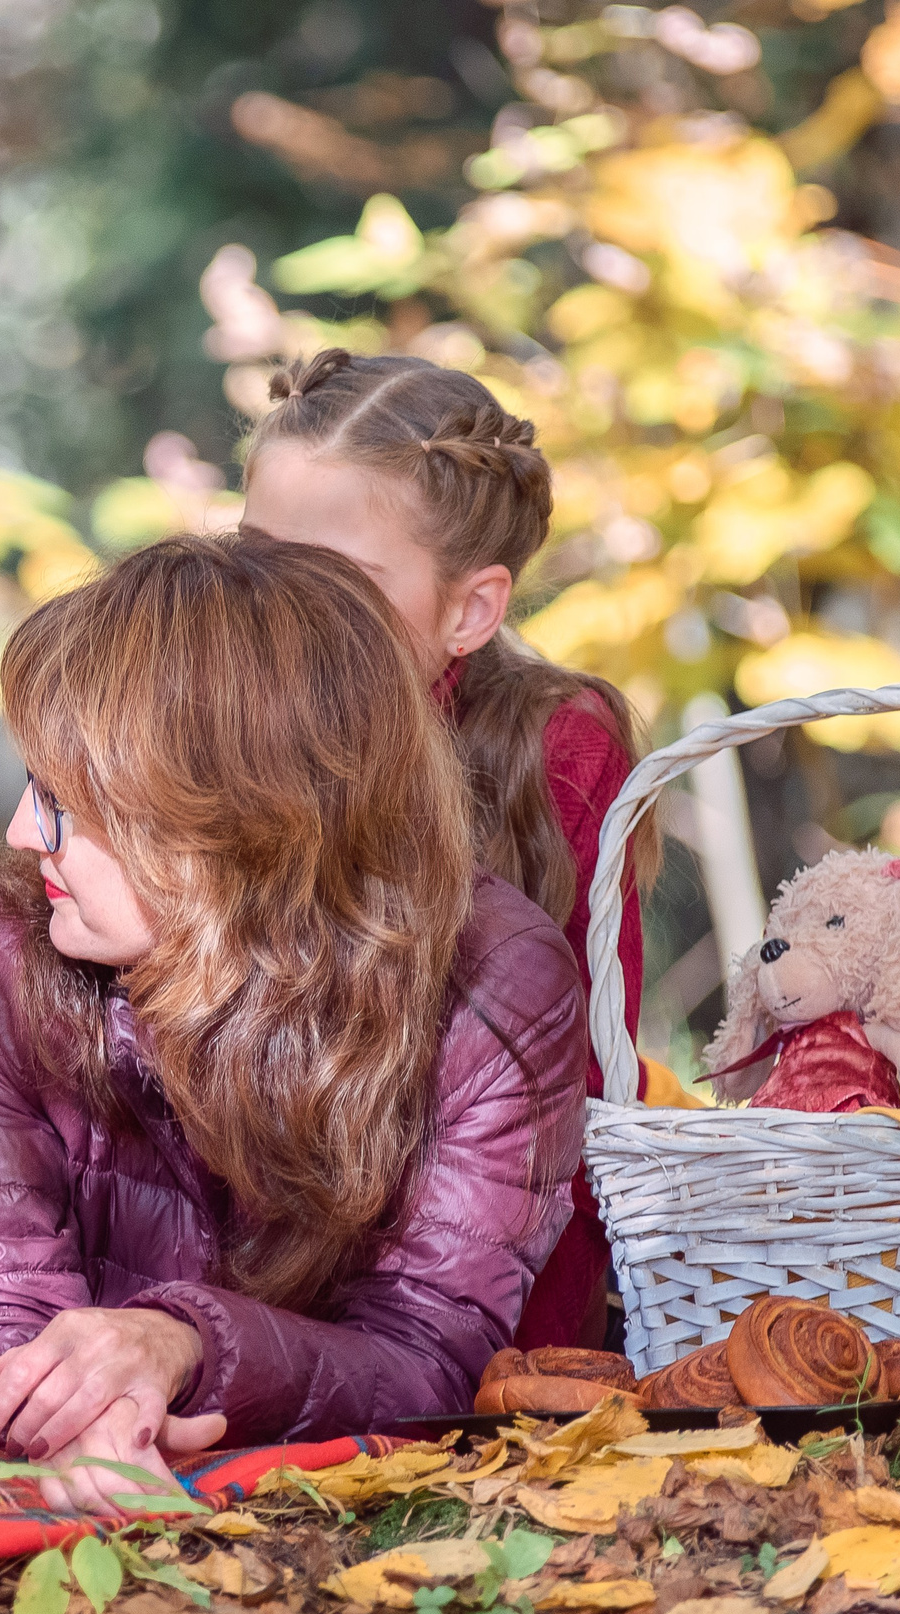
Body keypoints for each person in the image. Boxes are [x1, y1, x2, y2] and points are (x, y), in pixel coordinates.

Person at [0, 532, 588, 1514]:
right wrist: (83, 1410)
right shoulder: (3, 947)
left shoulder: (496, 983)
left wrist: (181, 1342)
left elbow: (429, 1355)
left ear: (229, 824)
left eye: (65, 800)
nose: (20, 833)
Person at [238, 348, 657, 1351]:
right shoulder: (201, 713)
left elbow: (588, 1100)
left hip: (483, 1302)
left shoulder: (555, 748)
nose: (277, 608)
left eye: (338, 579)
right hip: (235, 1278)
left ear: (469, 609)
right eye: (254, 552)